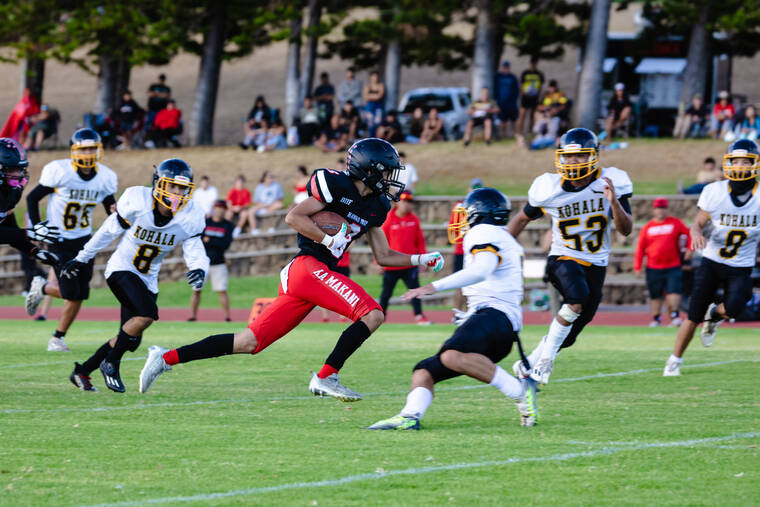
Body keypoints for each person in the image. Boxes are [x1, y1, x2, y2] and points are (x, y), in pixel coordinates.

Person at [137, 138, 445, 401]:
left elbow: (384, 256)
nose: (392, 178)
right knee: (372, 313)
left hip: (312, 275)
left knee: (249, 342)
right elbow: (294, 216)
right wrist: (328, 238)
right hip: (307, 267)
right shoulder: (336, 186)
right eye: (387, 171)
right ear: (370, 169)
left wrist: (420, 259)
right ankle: (326, 377)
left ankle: (164, 357)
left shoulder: (376, 206)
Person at [368, 188, 539, 430]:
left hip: (496, 316)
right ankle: (410, 416)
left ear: (478, 213)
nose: (462, 220)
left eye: (465, 213)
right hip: (495, 321)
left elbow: (482, 270)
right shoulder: (502, 236)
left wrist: (434, 286)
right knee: (424, 371)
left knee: (451, 355)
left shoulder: (483, 232)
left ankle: (520, 390)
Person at [62, 159, 208, 392]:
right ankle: (110, 363)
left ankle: (82, 371)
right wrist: (82, 257)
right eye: (173, 187)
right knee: (147, 314)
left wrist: (199, 269)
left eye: (183, 188)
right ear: (158, 184)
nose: (179, 194)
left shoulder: (191, 215)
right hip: (122, 268)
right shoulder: (137, 200)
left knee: (129, 339)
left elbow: (194, 248)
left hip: (148, 277)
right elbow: (108, 231)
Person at [507, 128, 633, 385]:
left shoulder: (612, 181)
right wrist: (500, 247)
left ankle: (528, 363)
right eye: (568, 157)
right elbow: (522, 219)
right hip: (563, 256)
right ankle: (544, 363)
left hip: (596, 262)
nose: (573, 163)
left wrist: (614, 203)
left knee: (571, 334)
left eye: (580, 157)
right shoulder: (549, 188)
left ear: (594, 157)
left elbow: (626, 230)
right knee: (576, 299)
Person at [663, 139, 760, 377]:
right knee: (693, 315)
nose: (740, 166)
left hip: (741, 264)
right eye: (735, 161)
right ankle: (674, 360)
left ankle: (714, 315)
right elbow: (697, 223)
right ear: (727, 164)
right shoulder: (714, 191)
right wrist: (695, 233)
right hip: (712, 261)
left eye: (745, 162)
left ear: (755, 165)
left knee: (735, 306)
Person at [25, 129, 119, 352]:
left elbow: (110, 207)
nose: (88, 153)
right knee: (69, 292)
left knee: (81, 293)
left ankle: (57, 338)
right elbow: (32, 197)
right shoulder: (61, 171)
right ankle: (44, 287)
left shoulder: (105, 177)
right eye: (84, 149)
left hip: (84, 239)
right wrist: (38, 227)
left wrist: (118, 214)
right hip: (59, 238)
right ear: (74, 151)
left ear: (99, 150)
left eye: (92, 148)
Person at [0, 138, 60, 272]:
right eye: (12, 169)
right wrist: (31, 234)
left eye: (20, 169)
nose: (18, 174)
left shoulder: (9, 192)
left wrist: (35, 251)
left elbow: (11, 230)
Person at [634, 198, 691, 327]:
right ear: (654, 210)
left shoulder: (675, 223)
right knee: (656, 295)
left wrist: (689, 249)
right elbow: (640, 249)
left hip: (673, 265)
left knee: (674, 292)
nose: (661, 211)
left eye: (663, 208)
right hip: (653, 267)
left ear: (667, 209)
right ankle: (656, 318)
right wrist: (637, 267)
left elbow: (689, 235)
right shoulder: (648, 227)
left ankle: (675, 316)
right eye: (658, 208)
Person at [378, 191, 431, 325]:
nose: (407, 204)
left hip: (410, 264)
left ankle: (419, 316)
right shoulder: (389, 219)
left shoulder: (414, 219)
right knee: (386, 294)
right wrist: (378, 262)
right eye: (404, 201)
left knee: (416, 292)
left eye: (409, 202)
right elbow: (381, 242)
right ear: (397, 202)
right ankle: (380, 317)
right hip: (392, 264)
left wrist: (423, 260)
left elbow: (420, 241)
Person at [189, 200, 235, 323]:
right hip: (202, 263)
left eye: (222, 208)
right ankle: (193, 316)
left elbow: (225, 244)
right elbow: (198, 239)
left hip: (218, 262)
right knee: (196, 290)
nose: (220, 210)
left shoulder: (228, 225)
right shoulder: (205, 222)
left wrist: (209, 241)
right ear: (214, 208)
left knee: (222, 290)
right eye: (218, 207)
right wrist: (212, 242)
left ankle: (227, 317)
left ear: (225, 210)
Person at [448, 178, 483, 312]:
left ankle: (470, 312)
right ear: (469, 189)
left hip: (474, 250)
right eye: (473, 189)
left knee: (472, 285)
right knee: (460, 284)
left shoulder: (482, 207)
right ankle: (457, 313)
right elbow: (453, 229)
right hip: (462, 250)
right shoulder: (459, 207)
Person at [528, 80, 568, 150]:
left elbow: (563, 106)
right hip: (546, 116)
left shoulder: (560, 94)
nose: (552, 89)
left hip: (556, 117)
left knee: (552, 130)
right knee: (538, 128)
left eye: (553, 87)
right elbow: (539, 106)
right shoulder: (546, 94)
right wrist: (546, 108)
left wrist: (555, 110)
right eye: (551, 87)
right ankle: (536, 142)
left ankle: (549, 143)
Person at [516, 57, 544, 135]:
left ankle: (530, 131)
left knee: (532, 115)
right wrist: (521, 94)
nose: (533, 65)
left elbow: (540, 87)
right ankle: (519, 132)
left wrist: (539, 96)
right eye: (532, 64)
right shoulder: (525, 73)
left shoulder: (539, 74)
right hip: (525, 97)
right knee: (522, 115)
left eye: (535, 64)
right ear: (530, 64)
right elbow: (521, 85)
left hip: (534, 97)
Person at [495, 61, 519, 138]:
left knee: (513, 120)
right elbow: (495, 89)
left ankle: (513, 135)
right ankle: (502, 135)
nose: (506, 69)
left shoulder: (512, 77)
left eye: (507, 67)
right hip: (501, 103)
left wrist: (515, 99)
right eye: (504, 67)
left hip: (511, 103)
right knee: (502, 121)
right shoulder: (498, 77)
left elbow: (517, 90)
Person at [362, 71, 385, 135]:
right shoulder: (367, 86)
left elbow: (380, 96)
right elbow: (365, 97)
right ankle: (371, 138)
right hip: (369, 107)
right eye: (374, 76)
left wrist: (370, 96)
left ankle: (376, 139)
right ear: (371, 77)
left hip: (378, 107)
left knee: (377, 123)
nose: (375, 78)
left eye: (376, 76)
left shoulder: (380, 85)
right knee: (370, 124)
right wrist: (376, 96)